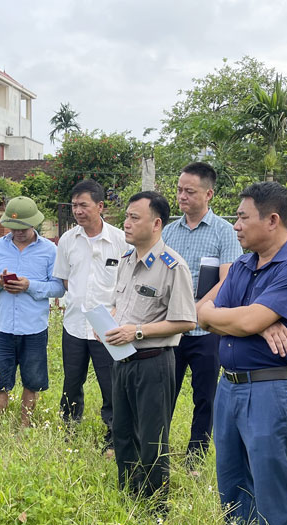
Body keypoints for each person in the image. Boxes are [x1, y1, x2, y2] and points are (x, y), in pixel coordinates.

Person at [197, 181, 287, 525]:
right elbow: (201, 311)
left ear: (272, 220)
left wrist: (249, 320)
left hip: (270, 388)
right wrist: (254, 323)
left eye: (242, 217)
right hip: (229, 386)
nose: (235, 225)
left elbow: (243, 318)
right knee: (231, 478)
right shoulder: (243, 265)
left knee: (271, 481)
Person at [105, 191, 196, 503]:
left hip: (154, 361)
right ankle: (129, 497)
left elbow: (186, 321)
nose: (126, 224)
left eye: (134, 218)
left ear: (156, 224)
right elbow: (120, 306)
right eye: (127, 217)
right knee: (122, 432)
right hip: (122, 360)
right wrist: (109, 323)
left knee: (152, 439)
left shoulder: (173, 266)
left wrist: (137, 332)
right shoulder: (127, 261)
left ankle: (156, 505)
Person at [162, 162, 242, 466]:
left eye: (189, 191)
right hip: (171, 328)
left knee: (205, 397)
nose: (182, 196)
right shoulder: (169, 231)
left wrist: (196, 310)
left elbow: (227, 280)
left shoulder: (224, 232)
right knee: (164, 393)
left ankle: (195, 456)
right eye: (180, 190)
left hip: (206, 329)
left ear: (208, 194)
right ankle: (159, 449)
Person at [53, 179, 127, 450]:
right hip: (74, 324)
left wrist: (115, 314)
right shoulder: (67, 240)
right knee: (72, 381)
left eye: (84, 205)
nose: (78, 210)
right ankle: (68, 431)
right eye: (74, 205)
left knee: (111, 384)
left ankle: (113, 437)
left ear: (100, 206)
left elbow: (126, 283)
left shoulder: (120, 239)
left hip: (107, 327)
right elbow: (64, 280)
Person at [0, 196, 65, 426]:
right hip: (4, 327)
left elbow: (58, 288)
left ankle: (24, 427)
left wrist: (29, 286)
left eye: (23, 228)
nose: (17, 232)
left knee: (32, 381)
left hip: (34, 328)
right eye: (13, 227)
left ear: (34, 223)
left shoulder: (49, 250)